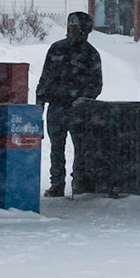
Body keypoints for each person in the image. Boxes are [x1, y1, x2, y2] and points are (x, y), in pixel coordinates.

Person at [35, 11, 103, 197]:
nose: (72, 30)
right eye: (70, 26)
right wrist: (39, 104)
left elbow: (96, 84)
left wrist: (82, 102)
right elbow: (45, 78)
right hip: (56, 107)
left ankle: (79, 183)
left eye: (77, 27)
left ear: (86, 30)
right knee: (56, 148)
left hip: (78, 110)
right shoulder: (56, 49)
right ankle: (57, 184)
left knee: (81, 148)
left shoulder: (91, 54)